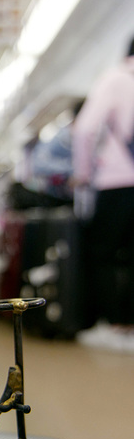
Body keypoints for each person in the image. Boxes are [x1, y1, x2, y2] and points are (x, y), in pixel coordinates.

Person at [72, 36, 134, 352]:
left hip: (118, 182)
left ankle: (114, 323)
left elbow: (85, 129)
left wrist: (82, 174)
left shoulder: (116, 79)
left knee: (103, 253)